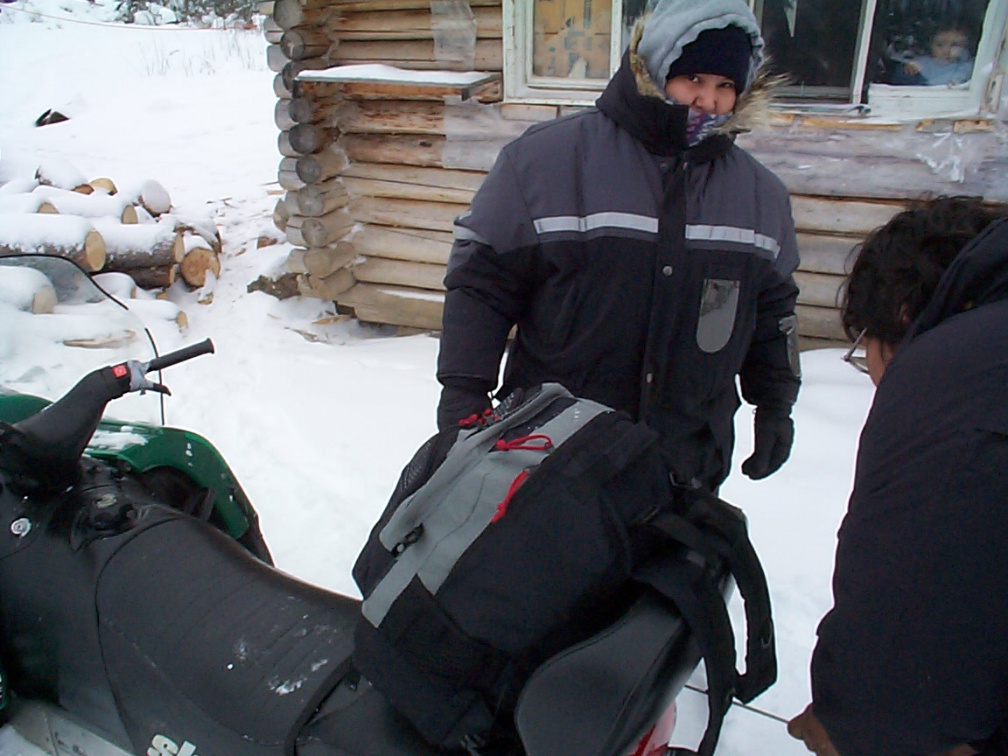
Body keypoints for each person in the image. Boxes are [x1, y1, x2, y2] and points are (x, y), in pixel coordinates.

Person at [435, 0, 802, 493]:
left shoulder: (760, 196)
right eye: (692, 79)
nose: (707, 101)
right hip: (553, 454)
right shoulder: (547, 161)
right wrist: (464, 389)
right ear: (654, 68)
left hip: (684, 461)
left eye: (725, 86)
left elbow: (774, 308)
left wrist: (775, 403)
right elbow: (482, 282)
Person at [787, 196, 1008, 756]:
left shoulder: (955, 376)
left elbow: (913, 596)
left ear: (905, 317)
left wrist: (847, 724)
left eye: (867, 354)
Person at [892, 20, 975, 86]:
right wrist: (909, 68)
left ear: (965, 47)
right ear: (930, 45)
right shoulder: (921, 64)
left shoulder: (966, 66)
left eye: (955, 45)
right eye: (940, 45)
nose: (946, 50)